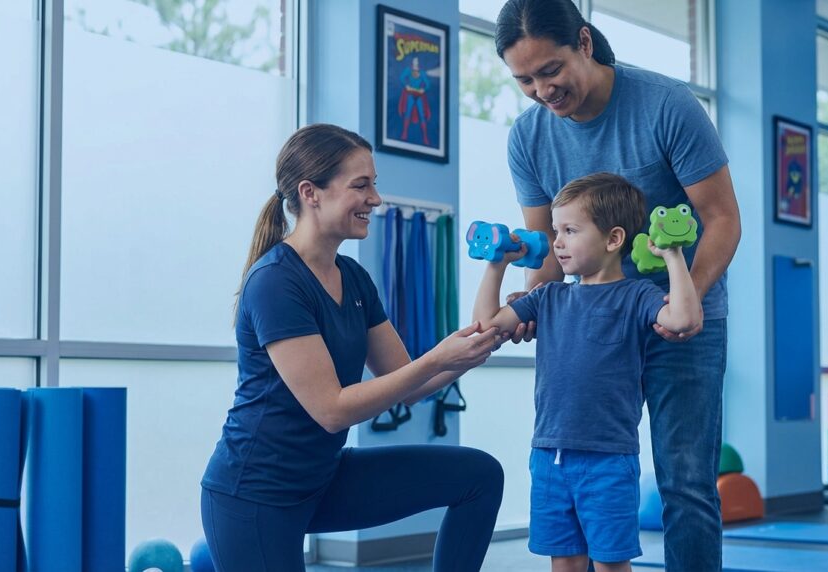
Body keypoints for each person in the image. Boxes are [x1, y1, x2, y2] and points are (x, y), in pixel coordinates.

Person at [495, 1, 742, 570]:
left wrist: (684, 304)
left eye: (550, 70)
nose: (541, 90)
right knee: (585, 464)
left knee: (686, 480)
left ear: (584, 42)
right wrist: (534, 305)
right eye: (524, 79)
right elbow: (547, 245)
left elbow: (723, 218)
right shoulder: (529, 136)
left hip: (682, 315)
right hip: (594, 323)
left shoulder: (667, 105)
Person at [200, 123, 504, 572]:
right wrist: (438, 357)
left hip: (321, 477)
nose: (376, 200)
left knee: (479, 476)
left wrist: (474, 349)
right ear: (311, 192)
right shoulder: (276, 282)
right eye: (361, 186)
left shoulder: (354, 278)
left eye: (374, 185)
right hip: (255, 493)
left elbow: (407, 382)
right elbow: (332, 409)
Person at [472, 173, 703, 572]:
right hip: (548, 454)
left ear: (613, 239)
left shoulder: (637, 295)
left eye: (570, 230)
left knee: (611, 563)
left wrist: (672, 255)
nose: (556, 241)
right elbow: (486, 326)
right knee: (564, 562)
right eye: (555, 230)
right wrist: (497, 266)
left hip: (608, 460)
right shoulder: (548, 296)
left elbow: (683, 318)